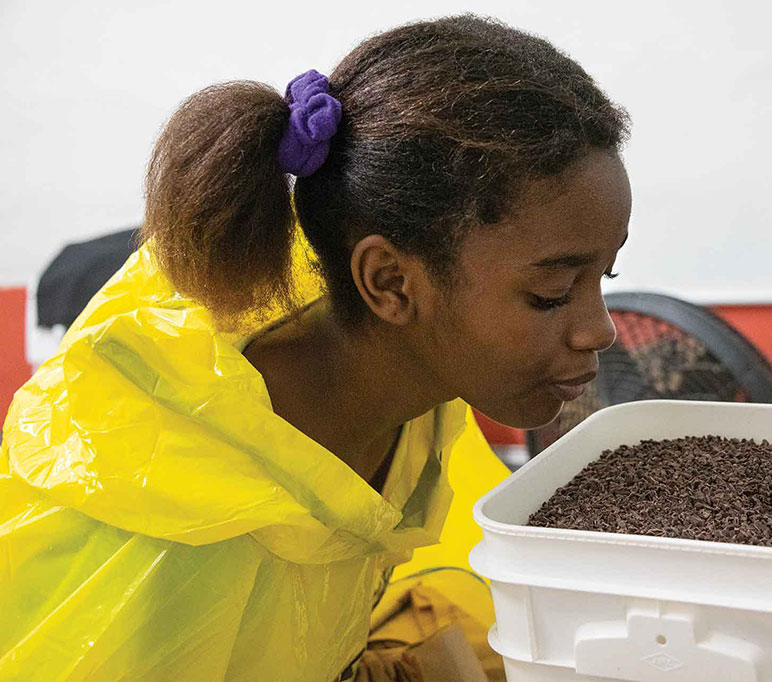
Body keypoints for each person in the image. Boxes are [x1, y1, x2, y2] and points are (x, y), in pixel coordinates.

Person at [0, 14, 631, 682]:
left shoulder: (392, 350)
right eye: (554, 292)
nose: (602, 330)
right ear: (389, 282)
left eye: (604, 277)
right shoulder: (170, 551)